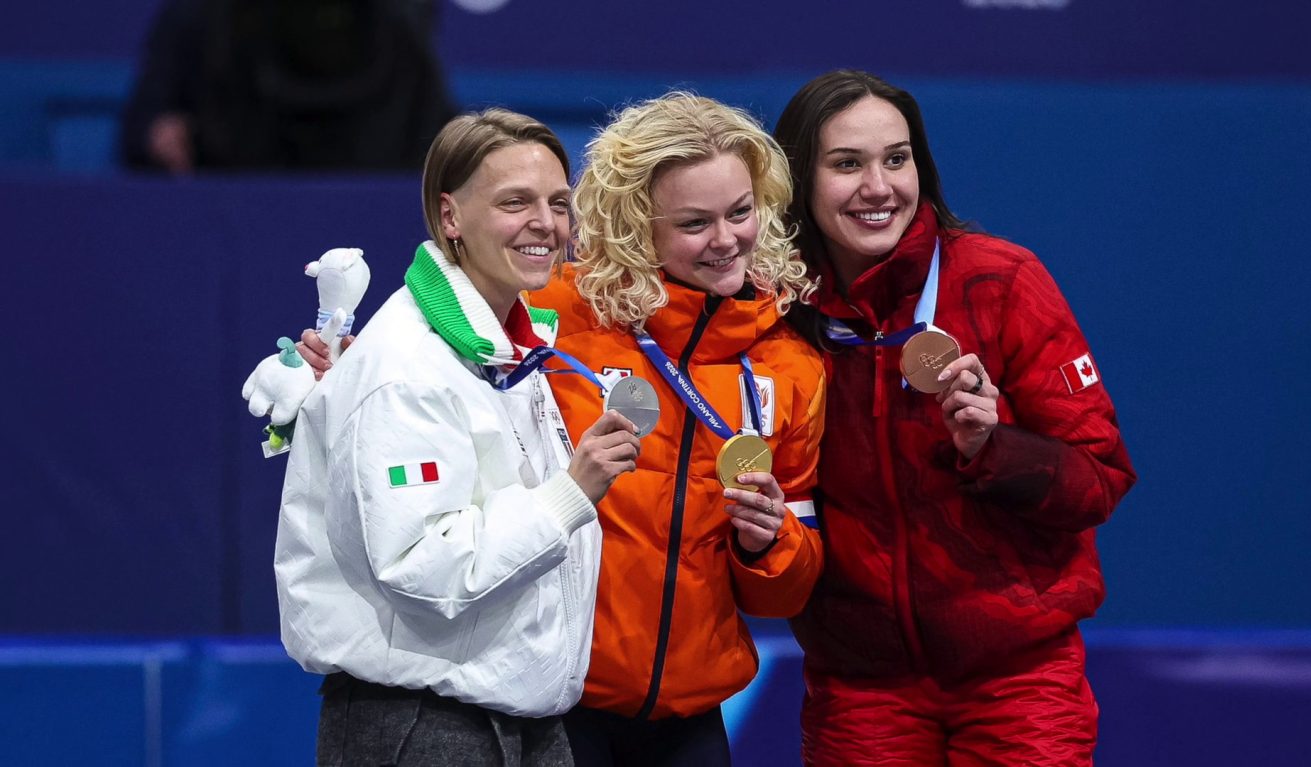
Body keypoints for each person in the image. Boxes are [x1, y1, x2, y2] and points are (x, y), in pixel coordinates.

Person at [296, 93, 827, 765]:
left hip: (691, 719)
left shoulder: (792, 366)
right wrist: (347, 375)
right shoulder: (548, 314)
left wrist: (768, 542)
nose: (726, 240)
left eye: (740, 212)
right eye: (695, 222)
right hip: (558, 704)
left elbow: (786, 591)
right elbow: (428, 375)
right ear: (637, 222)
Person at [772, 70, 1137, 766]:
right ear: (798, 180)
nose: (879, 187)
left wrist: (993, 447)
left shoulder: (1000, 281)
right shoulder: (777, 310)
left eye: (896, 159)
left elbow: (1099, 479)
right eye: (846, 164)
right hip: (862, 688)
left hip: (1018, 679)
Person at [274, 108, 640, 765]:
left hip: (517, 717)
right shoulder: (406, 367)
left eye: (558, 203)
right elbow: (424, 565)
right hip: (424, 724)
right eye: (515, 202)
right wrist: (570, 492)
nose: (546, 223)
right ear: (450, 216)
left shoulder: (506, 348)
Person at [121, 0, 455, 173]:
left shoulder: (399, 19)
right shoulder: (205, 15)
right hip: (239, 190)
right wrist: (159, 134)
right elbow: (141, 126)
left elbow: (441, 135)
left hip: (373, 187)